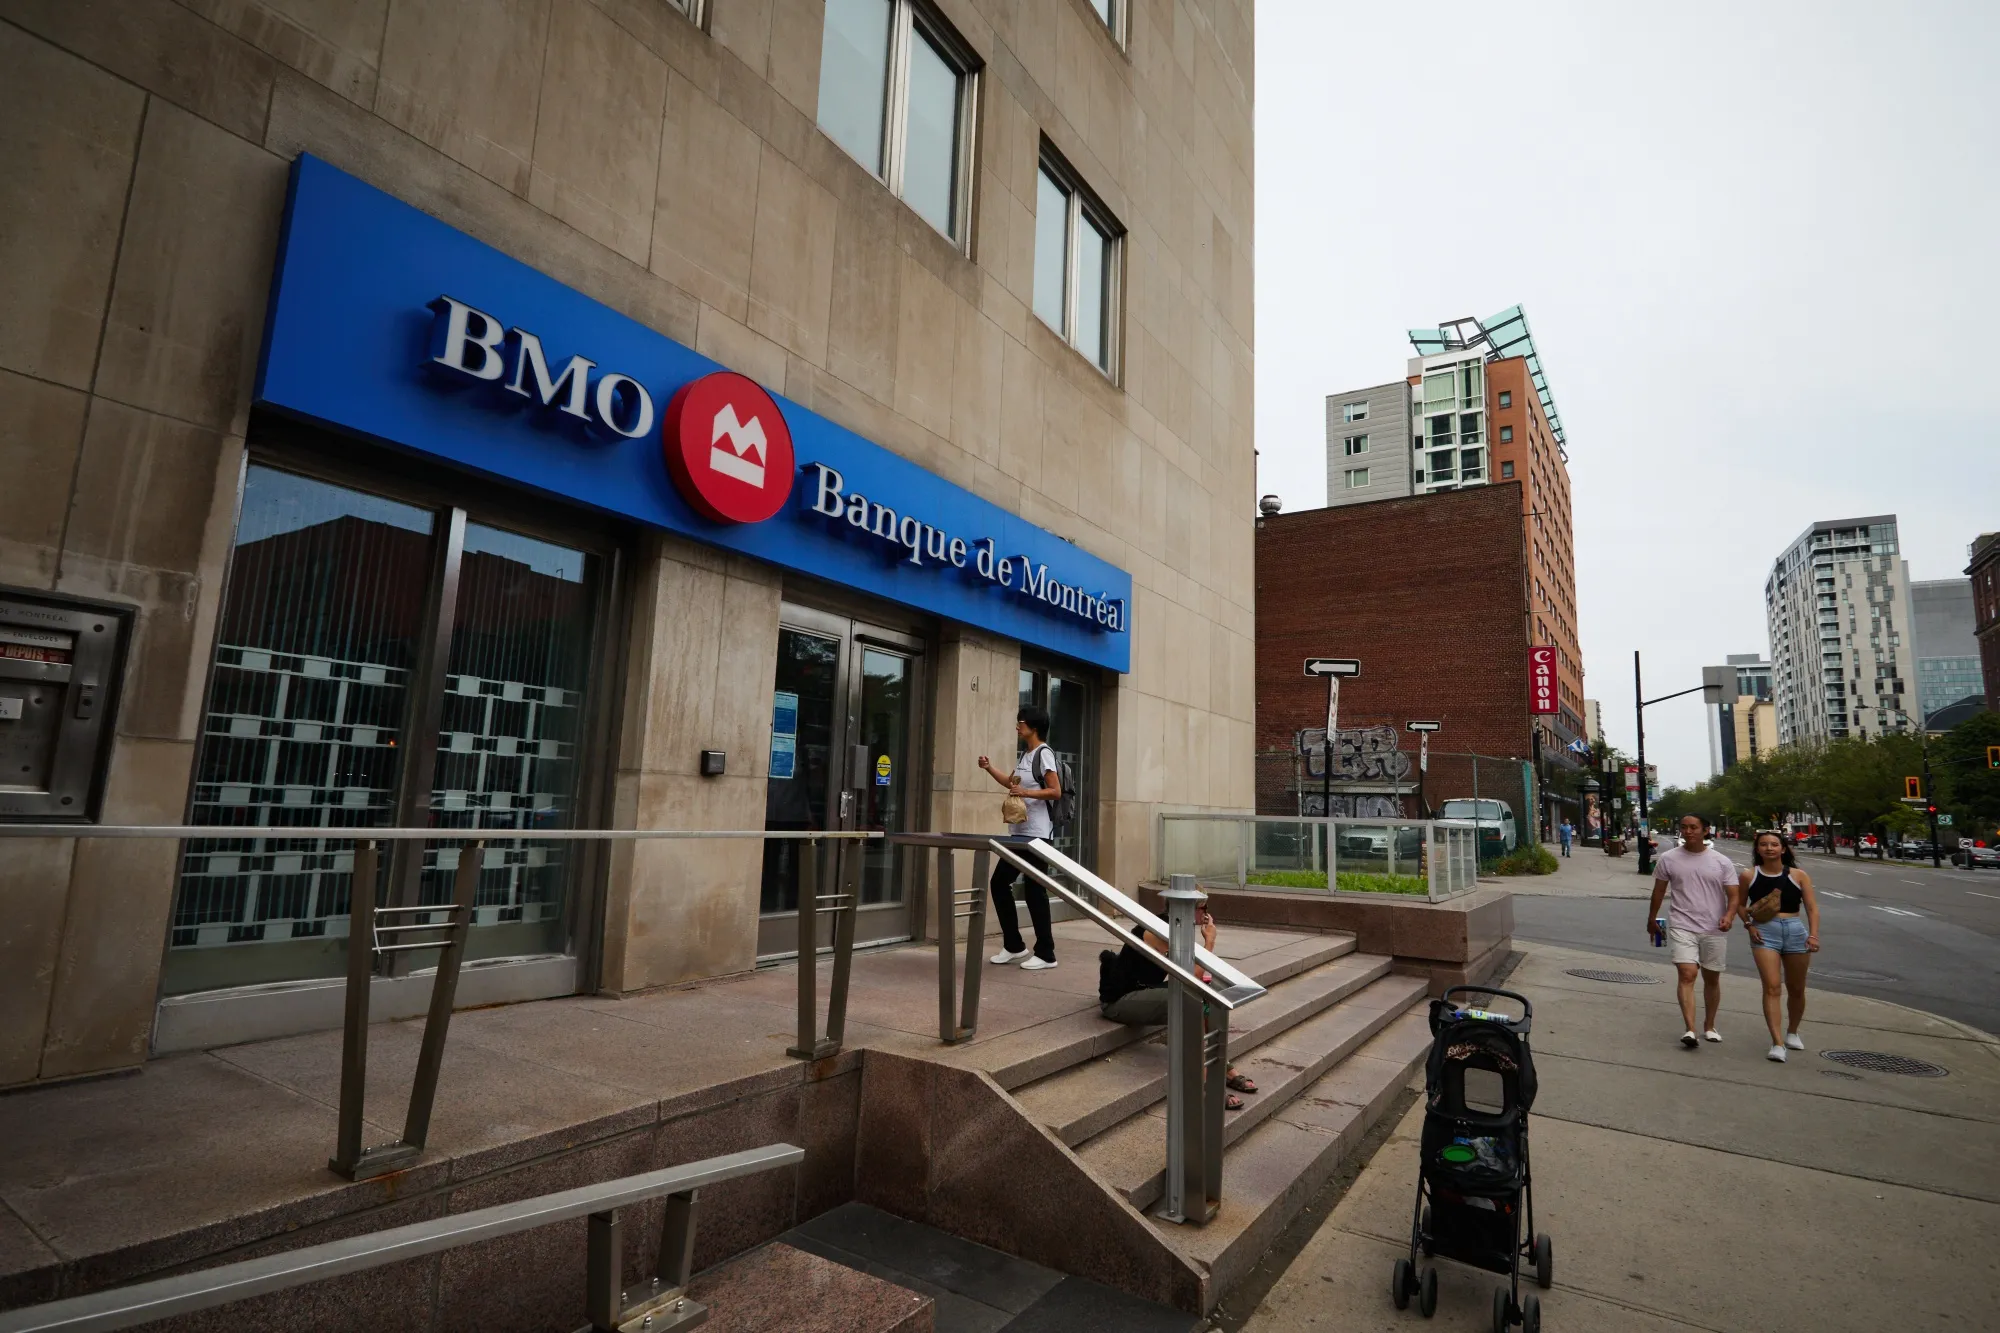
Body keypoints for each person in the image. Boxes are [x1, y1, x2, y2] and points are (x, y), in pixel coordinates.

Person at [1098, 903, 1257, 1110]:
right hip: (1119, 1000)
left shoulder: (1176, 926)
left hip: (1145, 989)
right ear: (1187, 907)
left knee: (1207, 993)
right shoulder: (1160, 930)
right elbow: (1190, 977)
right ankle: (1205, 1083)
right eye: (1203, 906)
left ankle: (1223, 1068)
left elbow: (1193, 974)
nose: (1207, 912)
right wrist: (1210, 941)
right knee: (1191, 999)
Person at [1646, 813, 1741, 1049]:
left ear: (1705, 830)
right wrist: (1651, 918)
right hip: (1682, 924)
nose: (1688, 831)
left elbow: (1734, 895)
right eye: (1684, 827)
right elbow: (1658, 891)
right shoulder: (1668, 859)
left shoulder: (1721, 861)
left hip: (1713, 927)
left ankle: (1710, 1025)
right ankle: (1690, 1029)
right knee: (1687, 974)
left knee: (1712, 978)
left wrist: (1729, 916)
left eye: (1694, 827)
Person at [978, 705, 1062, 970]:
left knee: (1035, 890)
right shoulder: (1026, 755)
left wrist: (1026, 794)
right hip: (1019, 833)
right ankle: (1014, 946)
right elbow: (1012, 783)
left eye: (1020, 722)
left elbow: (1055, 791)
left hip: (1037, 835)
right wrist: (990, 768)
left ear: (1033, 727)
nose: (1017, 726)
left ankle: (1046, 954)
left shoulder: (1044, 754)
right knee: (1000, 883)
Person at [1738, 830, 1821, 1062]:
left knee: (1796, 988)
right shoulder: (1749, 875)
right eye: (1763, 844)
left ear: (1783, 849)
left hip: (1795, 930)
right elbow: (1739, 904)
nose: (1769, 848)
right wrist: (1749, 925)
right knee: (1772, 987)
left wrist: (1813, 935)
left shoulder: (1799, 875)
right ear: (1757, 849)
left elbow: (1812, 908)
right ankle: (1777, 1043)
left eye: (1774, 844)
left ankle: (1793, 1031)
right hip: (1765, 932)